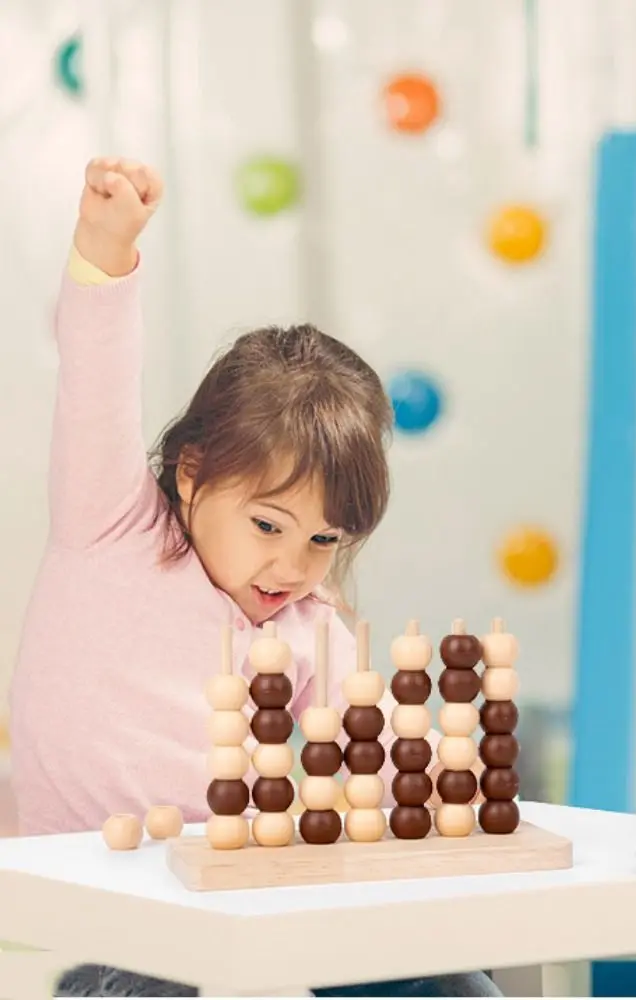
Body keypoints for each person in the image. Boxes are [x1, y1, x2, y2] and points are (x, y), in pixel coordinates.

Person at [8, 158, 500, 998]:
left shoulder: (311, 629)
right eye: (267, 525)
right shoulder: (110, 527)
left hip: (273, 911)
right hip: (122, 929)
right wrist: (106, 246)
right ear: (193, 475)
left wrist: (456, 792)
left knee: (449, 983)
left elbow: (382, 767)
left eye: (322, 539)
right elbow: (96, 380)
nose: (291, 565)